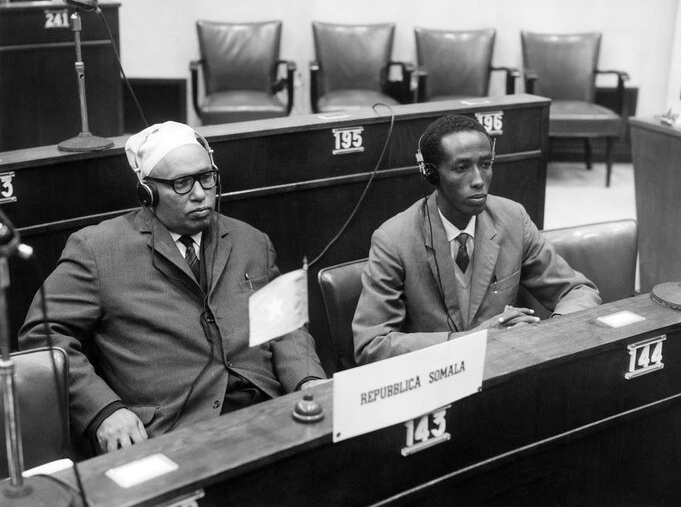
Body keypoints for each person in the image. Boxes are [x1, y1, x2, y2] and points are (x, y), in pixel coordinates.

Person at [19, 121, 326, 453]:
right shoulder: (98, 250)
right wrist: (102, 411)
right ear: (147, 192)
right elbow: (43, 335)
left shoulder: (251, 241)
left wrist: (309, 379)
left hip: (269, 413)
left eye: (206, 178)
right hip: (174, 433)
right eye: (181, 183)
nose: (199, 193)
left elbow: (286, 327)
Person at [353, 114, 601, 365]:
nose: (479, 181)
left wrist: (545, 334)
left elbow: (578, 291)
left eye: (485, 164)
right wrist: (470, 341)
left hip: (503, 371)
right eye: (461, 168)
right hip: (434, 381)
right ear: (432, 174)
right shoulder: (393, 239)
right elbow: (371, 345)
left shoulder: (513, 218)